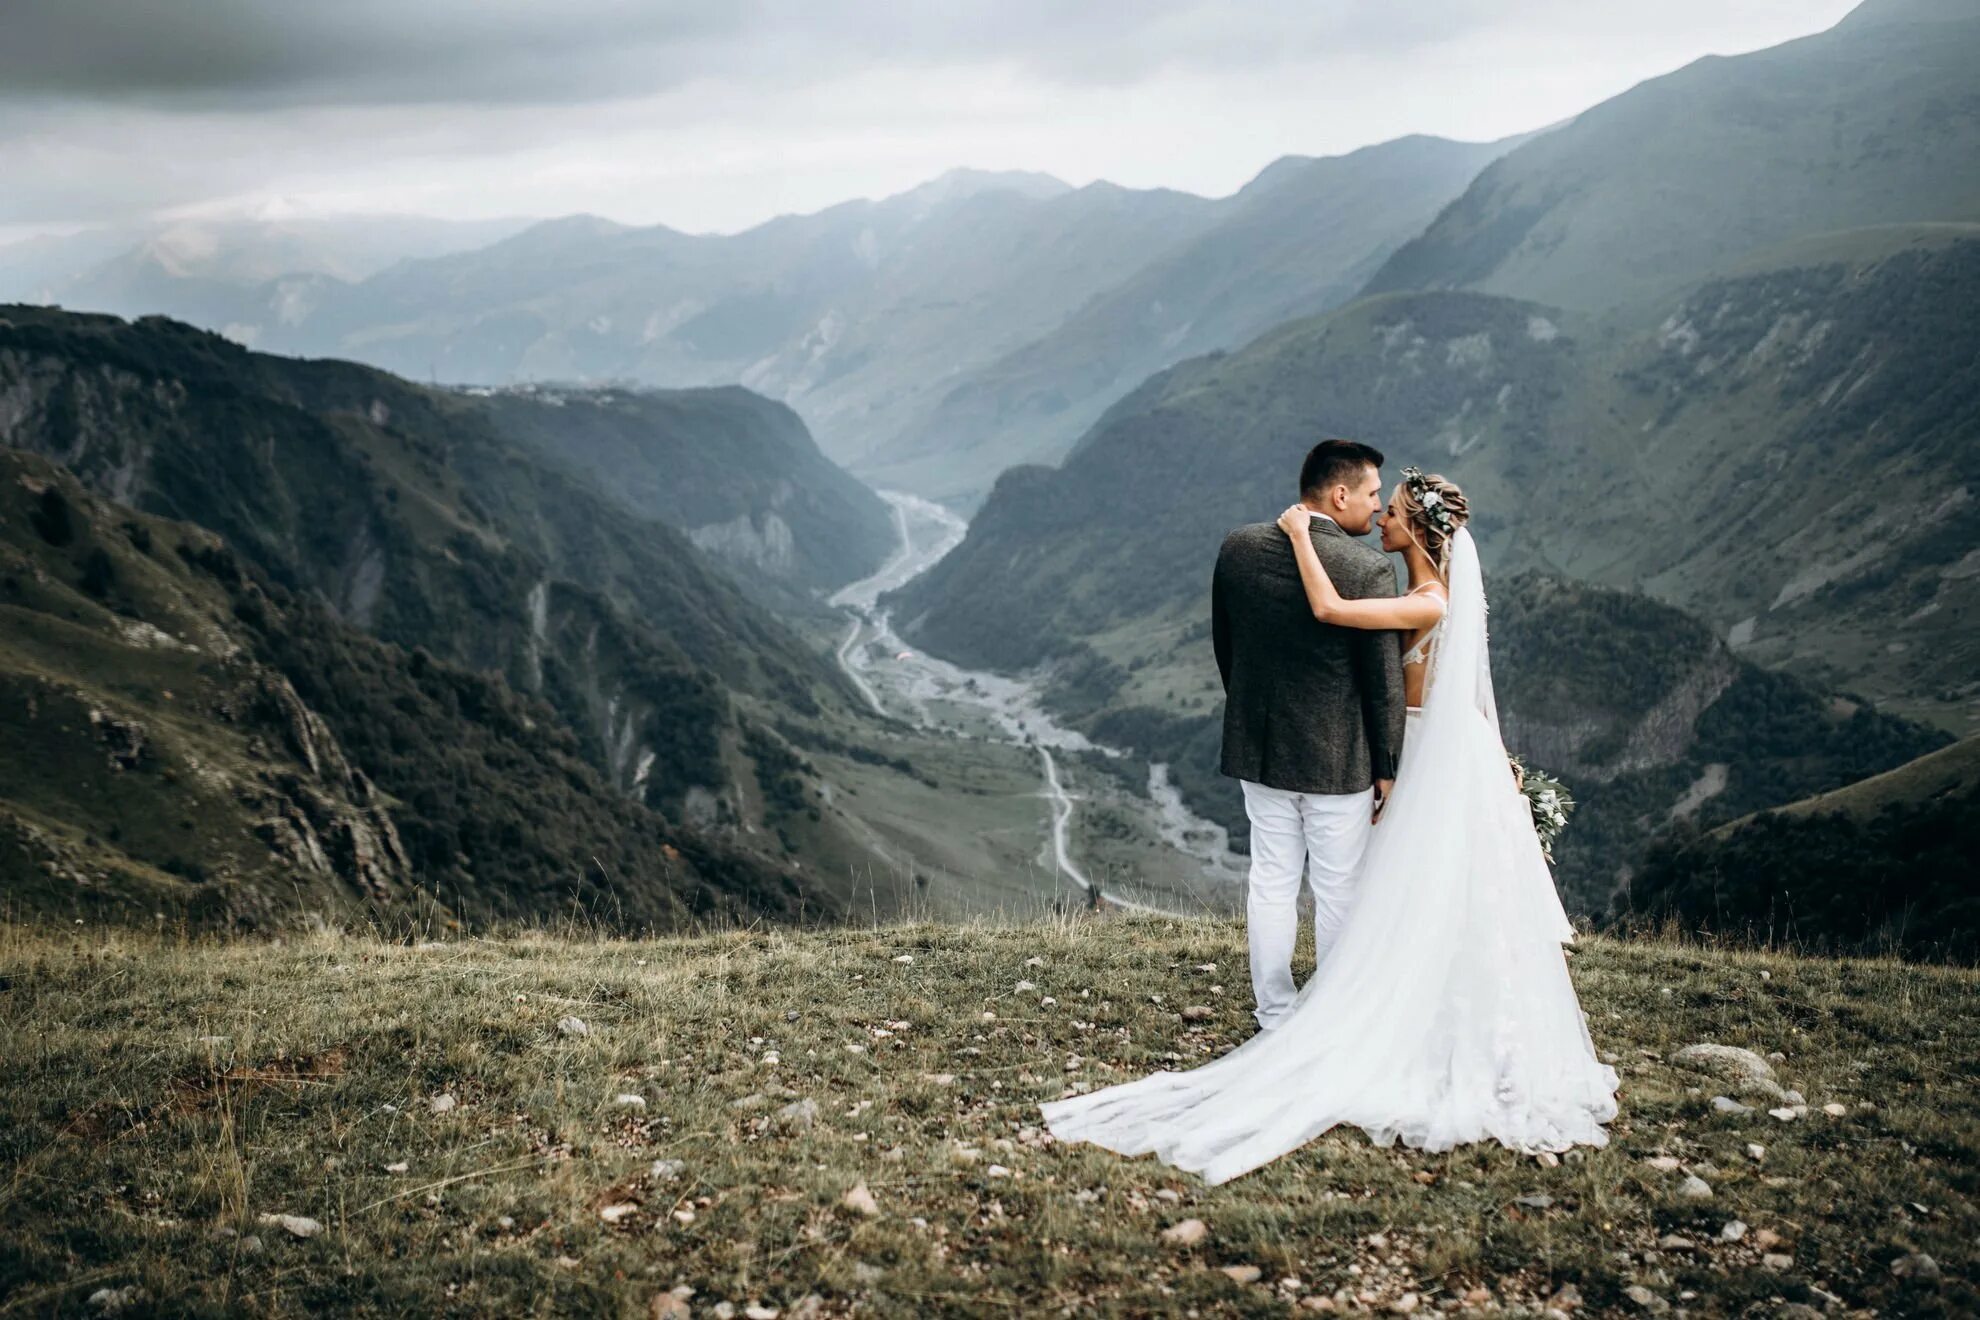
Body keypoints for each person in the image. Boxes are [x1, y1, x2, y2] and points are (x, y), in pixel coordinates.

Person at [1039, 464, 1618, 1185]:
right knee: (1398, 885)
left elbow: (1331, 612)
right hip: (1428, 755)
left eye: (1395, 511)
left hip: (1428, 759)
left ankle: (1381, 1006)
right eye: (1380, 503)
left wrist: (1298, 535)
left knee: (1406, 883)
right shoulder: (1418, 589)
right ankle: (1401, 992)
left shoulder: (1429, 602)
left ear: (1422, 527)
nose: (1383, 518)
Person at [1204, 439, 1407, 1031]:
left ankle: (1274, 1012)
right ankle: (1333, 1016)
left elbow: (1227, 646)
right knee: (1338, 888)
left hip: (1260, 748)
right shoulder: (1367, 568)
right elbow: (1383, 683)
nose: (1375, 508)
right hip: (1336, 758)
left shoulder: (1238, 549)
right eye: (1372, 494)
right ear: (1339, 493)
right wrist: (1387, 765)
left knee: (1270, 879)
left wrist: (1249, 711)